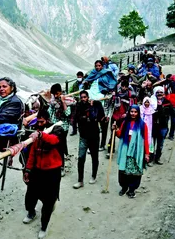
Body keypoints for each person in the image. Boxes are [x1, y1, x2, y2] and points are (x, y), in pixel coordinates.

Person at [22, 110, 63, 239]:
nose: (39, 124)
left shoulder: (57, 129)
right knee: (30, 195)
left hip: (52, 171)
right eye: (38, 121)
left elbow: (54, 140)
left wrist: (40, 135)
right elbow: (32, 153)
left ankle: (44, 226)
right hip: (37, 170)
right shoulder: (35, 132)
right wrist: (28, 170)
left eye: (42, 122)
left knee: (48, 201)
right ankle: (31, 212)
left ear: (47, 120)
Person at [113, 105, 149, 198]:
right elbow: (120, 134)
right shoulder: (125, 123)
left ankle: (132, 189)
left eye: (135, 112)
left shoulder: (142, 125)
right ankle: (124, 187)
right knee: (123, 170)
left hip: (137, 152)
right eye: (131, 111)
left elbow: (145, 140)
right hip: (125, 150)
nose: (133, 114)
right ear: (129, 112)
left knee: (135, 172)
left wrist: (147, 153)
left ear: (138, 113)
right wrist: (116, 129)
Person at [73, 91, 105, 189]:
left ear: (88, 97)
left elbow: (100, 117)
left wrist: (92, 108)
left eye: (85, 97)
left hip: (94, 136)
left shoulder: (96, 104)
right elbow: (76, 118)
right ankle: (80, 180)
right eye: (81, 97)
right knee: (81, 158)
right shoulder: (78, 106)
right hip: (83, 136)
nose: (83, 99)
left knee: (94, 157)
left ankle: (94, 176)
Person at [48, 83, 71, 177]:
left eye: (56, 94)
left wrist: (63, 102)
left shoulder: (67, 100)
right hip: (54, 126)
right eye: (54, 94)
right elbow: (49, 112)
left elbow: (68, 113)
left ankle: (62, 167)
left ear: (60, 92)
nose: (55, 96)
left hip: (63, 127)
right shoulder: (53, 102)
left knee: (59, 147)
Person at [151, 86, 172, 165]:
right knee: (152, 144)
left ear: (163, 94)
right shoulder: (151, 102)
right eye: (158, 92)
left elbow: (172, 113)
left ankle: (158, 158)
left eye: (161, 92)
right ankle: (150, 158)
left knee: (160, 144)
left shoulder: (167, 102)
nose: (159, 94)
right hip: (154, 126)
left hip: (163, 126)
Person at [140, 97, 157, 166]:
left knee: (148, 145)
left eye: (148, 102)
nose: (146, 104)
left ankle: (148, 160)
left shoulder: (152, 111)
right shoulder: (140, 109)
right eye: (145, 102)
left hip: (149, 131)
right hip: (141, 129)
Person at [69, 71, 84, 136]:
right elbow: (70, 91)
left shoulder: (86, 83)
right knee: (74, 117)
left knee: (81, 117)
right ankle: (74, 130)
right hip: (76, 101)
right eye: (78, 77)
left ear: (82, 77)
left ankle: (82, 130)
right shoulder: (75, 84)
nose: (79, 78)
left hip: (83, 101)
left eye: (80, 77)